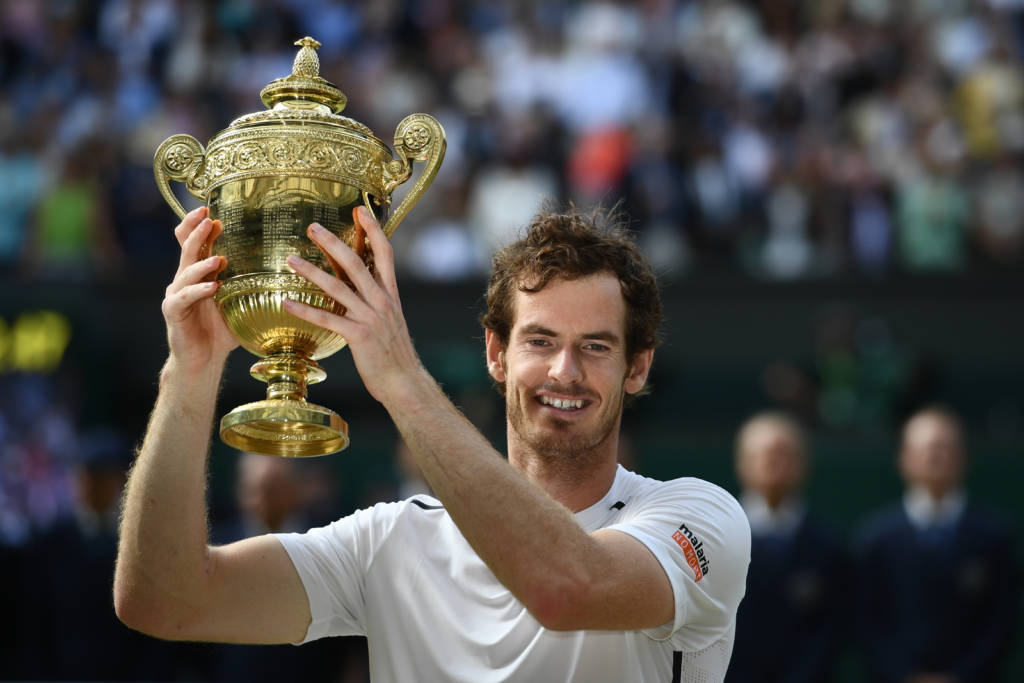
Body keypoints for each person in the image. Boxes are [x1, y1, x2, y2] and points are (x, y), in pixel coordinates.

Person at [115, 204, 751, 682]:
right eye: (540, 341)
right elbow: (164, 601)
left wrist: (401, 379)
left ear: (637, 368)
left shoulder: (699, 516)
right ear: (496, 353)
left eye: (595, 347)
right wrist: (188, 375)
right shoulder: (391, 540)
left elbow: (566, 589)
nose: (565, 372)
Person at [855, 406, 1020, 683]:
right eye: (924, 448)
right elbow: (866, 621)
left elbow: (1002, 621)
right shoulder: (876, 538)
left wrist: (959, 676)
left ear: (963, 458)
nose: (934, 456)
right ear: (903, 459)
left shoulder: (995, 537)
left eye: (944, 447)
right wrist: (906, 675)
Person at [726, 412, 849, 683]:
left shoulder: (829, 547)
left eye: (783, 454)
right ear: (742, 464)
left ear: (803, 464)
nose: (773, 462)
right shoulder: (716, 543)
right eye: (764, 454)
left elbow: (833, 631)